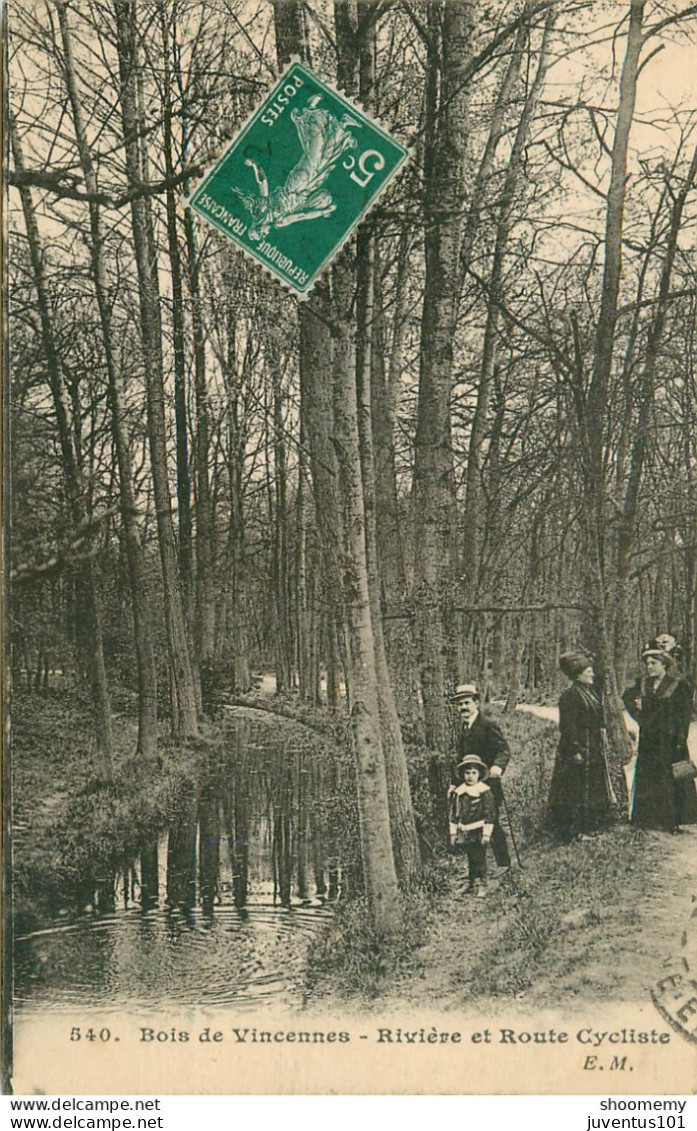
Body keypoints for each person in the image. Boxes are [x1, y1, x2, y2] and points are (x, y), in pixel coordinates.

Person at [622, 643, 697, 833]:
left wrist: (681, 738)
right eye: (647, 663)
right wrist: (639, 716)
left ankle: (671, 821)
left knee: (669, 778)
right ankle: (647, 819)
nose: (649, 667)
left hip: (670, 740)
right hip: (649, 739)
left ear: (664, 664)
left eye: (653, 663)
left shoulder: (678, 685)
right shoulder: (643, 684)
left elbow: (684, 714)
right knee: (649, 776)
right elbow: (626, 698)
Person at [548, 651, 615, 841]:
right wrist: (575, 750)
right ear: (578, 675)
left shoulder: (589, 693)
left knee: (589, 788)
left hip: (591, 747)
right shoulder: (569, 696)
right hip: (575, 749)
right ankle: (572, 831)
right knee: (573, 790)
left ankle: (588, 827)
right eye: (588, 671)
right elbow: (567, 727)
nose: (592, 674)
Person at [449, 683, 511, 869]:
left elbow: (503, 750)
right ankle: (476, 874)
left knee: (492, 824)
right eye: (459, 704)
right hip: (469, 787)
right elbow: (461, 760)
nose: (463, 708)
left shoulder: (487, 725)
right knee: (470, 827)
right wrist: (454, 784)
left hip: (488, 784)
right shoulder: (464, 727)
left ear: (476, 702)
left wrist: (497, 767)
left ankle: (504, 865)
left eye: (467, 703)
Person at [448, 755, 496, 896]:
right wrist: (453, 832)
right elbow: (453, 813)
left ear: (479, 774)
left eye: (474, 773)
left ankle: (483, 884)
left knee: (479, 857)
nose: (470, 776)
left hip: (479, 830)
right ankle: (471, 883)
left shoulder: (484, 791)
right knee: (470, 857)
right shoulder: (459, 792)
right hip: (465, 830)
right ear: (463, 774)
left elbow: (490, 813)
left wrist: (486, 833)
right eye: (467, 773)